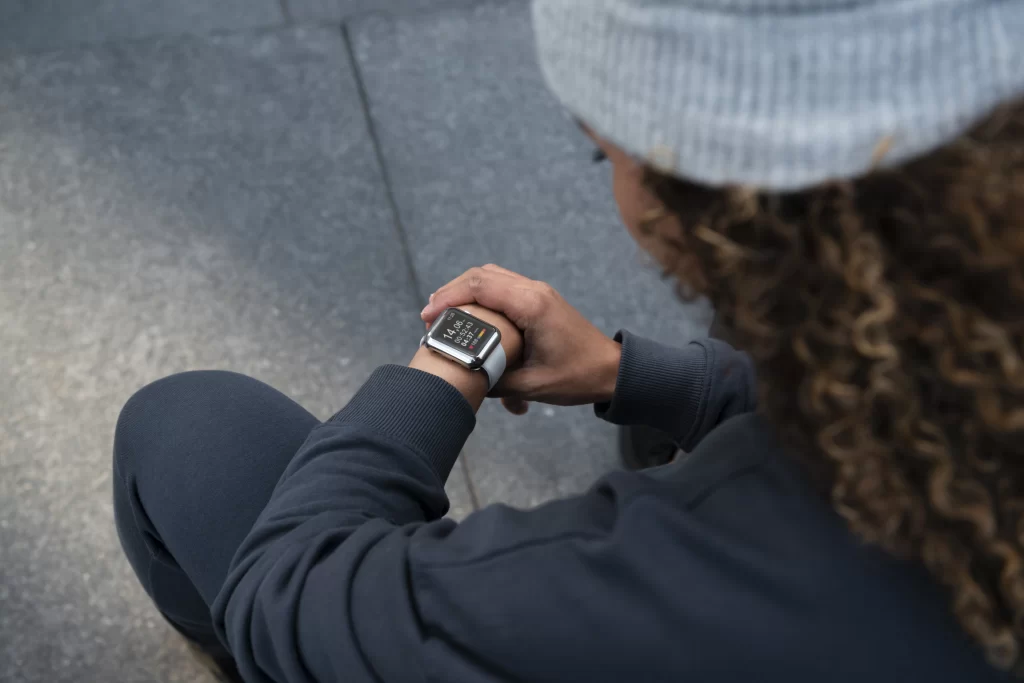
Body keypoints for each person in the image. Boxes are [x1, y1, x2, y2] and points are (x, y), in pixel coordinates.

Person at [113, 0, 1024, 681]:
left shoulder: (713, 564)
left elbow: (288, 593)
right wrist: (647, 378)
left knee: (187, 424)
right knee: (660, 425)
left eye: (611, 153)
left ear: (710, 197)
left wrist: (441, 374)